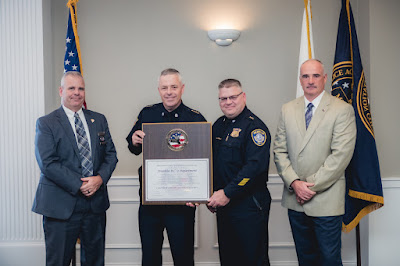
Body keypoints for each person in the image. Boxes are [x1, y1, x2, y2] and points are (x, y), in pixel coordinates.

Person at [273, 59, 357, 266]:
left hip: (326, 200)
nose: (310, 81)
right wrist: (295, 183)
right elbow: (279, 151)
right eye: (305, 76)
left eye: (316, 75)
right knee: (305, 258)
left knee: (329, 259)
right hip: (295, 199)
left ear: (325, 78)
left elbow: (340, 157)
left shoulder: (342, 110)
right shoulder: (287, 109)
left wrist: (308, 187)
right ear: (300, 80)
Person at [32, 71, 118, 266]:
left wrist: (99, 179)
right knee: (59, 261)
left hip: (94, 204)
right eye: (71, 88)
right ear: (61, 91)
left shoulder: (99, 119)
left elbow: (111, 155)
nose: (77, 93)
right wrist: (79, 184)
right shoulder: (46, 123)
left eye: (81, 88)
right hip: (60, 205)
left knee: (95, 261)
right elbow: (47, 162)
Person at [126, 68, 206, 266]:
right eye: (164, 87)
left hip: (181, 203)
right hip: (151, 201)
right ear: (159, 90)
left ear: (182, 89)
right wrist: (135, 141)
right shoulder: (147, 113)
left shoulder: (195, 118)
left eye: (173, 87)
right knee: (150, 257)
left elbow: (205, 159)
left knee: (183, 257)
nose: (169, 92)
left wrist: (199, 192)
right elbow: (133, 148)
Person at [208, 79, 271, 266]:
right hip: (224, 206)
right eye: (223, 98)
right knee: (229, 258)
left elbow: (254, 168)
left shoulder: (255, 128)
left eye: (232, 97)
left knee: (253, 259)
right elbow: (211, 163)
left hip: (249, 205)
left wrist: (227, 193)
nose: (228, 102)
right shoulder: (218, 126)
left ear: (243, 97)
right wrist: (210, 193)